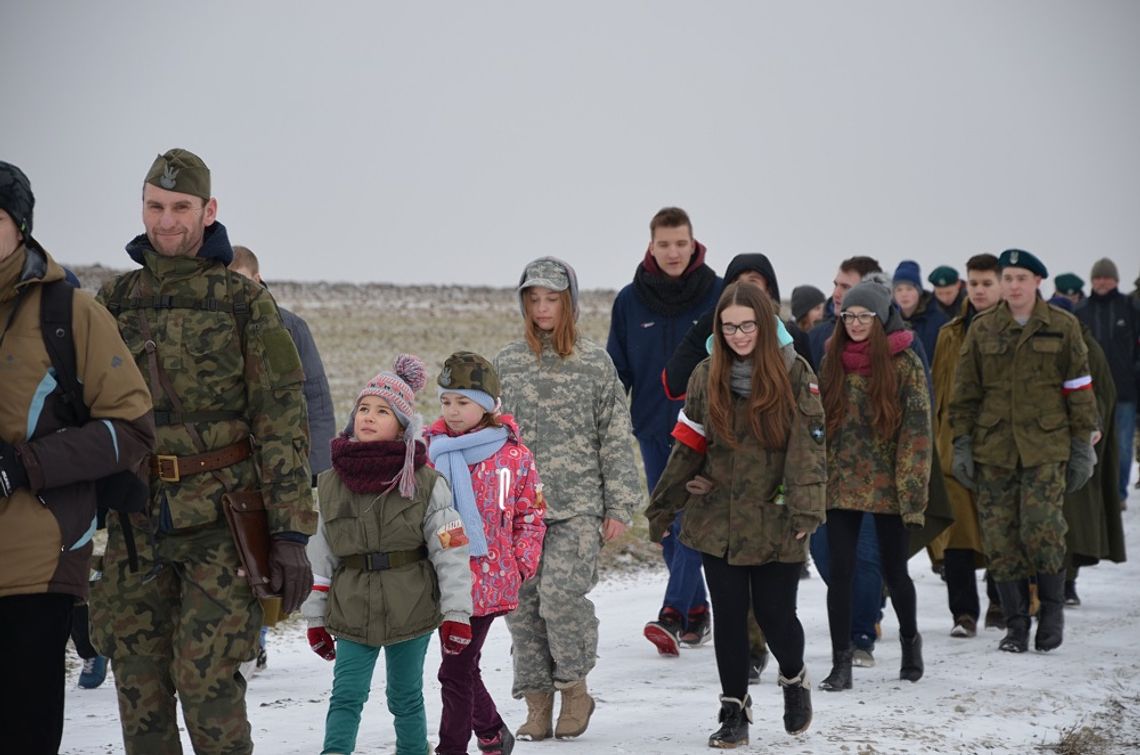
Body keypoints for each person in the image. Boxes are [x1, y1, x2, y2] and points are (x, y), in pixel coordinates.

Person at [91, 148, 316, 754]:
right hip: (136, 518)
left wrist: (291, 535)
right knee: (137, 684)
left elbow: (281, 419)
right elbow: (85, 416)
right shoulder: (113, 302)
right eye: (155, 206)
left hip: (220, 519)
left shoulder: (243, 302)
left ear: (208, 210)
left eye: (181, 208)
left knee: (206, 680)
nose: (166, 221)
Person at [0, 160, 154, 754]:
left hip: (36, 568)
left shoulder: (68, 313)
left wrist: (22, 465)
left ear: (21, 226)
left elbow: (133, 431)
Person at [647, 281, 824, 747]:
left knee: (773, 614)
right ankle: (733, 710)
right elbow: (689, 442)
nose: (739, 335)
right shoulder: (706, 374)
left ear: (764, 325)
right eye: (728, 328)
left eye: (747, 325)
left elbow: (809, 446)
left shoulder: (793, 372)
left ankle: (793, 677)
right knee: (727, 614)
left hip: (775, 514)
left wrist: (804, 508)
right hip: (718, 513)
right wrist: (665, 503)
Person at [494, 257, 642, 741]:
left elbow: (616, 436)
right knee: (522, 605)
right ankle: (537, 702)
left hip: (578, 506)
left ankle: (575, 689)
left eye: (551, 298)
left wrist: (620, 505)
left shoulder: (595, 363)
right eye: (533, 298)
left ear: (569, 302)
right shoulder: (507, 363)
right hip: (518, 511)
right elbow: (488, 437)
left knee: (559, 597)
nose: (542, 307)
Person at [302, 355, 472, 755]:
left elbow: (451, 552)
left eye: (382, 411)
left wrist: (456, 614)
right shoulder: (329, 484)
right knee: (345, 696)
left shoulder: (426, 482)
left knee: (405, 697)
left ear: (402, 425)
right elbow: (320, 555)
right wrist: (314, 616)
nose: (369, 417)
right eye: (363, 408)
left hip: (411, 605)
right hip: (351, 606)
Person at [950, 249, 1099, 654]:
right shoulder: (983, 330)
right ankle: (1016, 624)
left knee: (1043, 528)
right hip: (994, 449)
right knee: (1000, 537)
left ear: (1037, 282)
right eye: (1008, 278)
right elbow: (964, 393)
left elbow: (1080, 391)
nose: (1013, 285)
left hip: (1045, 448)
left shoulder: (1063, 327)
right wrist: (961, 444)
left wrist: (1083, 445)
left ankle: (1051, 612)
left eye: (1021, 278)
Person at [662, 252, 785, 681]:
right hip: (719, 486)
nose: (752, 292)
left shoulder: (790, 352)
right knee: (730, 589)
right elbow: (674, 380)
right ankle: (737, 685)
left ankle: (778, 659)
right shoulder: (714, 339)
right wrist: (705, 336)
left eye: (759, 283)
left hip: (772, 492)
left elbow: (811, 426)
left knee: (769, 599)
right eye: (742, 283)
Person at [606, 207, 721, 654]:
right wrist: (612, 423)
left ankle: (672, 612)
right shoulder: (630, 301)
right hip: (653, 428)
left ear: (694, 244)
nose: (673, 252)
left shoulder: (717, 294)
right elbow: (619, 369)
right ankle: (698, 611)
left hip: (706, 430)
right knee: (668, 524)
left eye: (681, 243)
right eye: (664, 244)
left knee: (692, 517)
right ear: (651, 246)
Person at [426, 351, 546, 755]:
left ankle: (452, 748)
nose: (453, 411)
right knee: (462, 667)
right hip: (441, 577)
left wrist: (522, 562)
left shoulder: (513, 455)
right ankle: (492, 732)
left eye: (463, 401)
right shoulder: (431, 451)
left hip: (490, 578)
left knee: (455, 670)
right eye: (446, 401)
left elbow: (530, 514)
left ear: (488, 405)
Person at [818, 278, 931, 691]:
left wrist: (911, 496)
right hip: (841, 485)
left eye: (865, 315)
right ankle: (841, 661)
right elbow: (818, 426)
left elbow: (918, 435)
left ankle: (909, 640)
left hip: (889, 487)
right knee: (841, 572)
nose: (856, 323)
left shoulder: (905, 363)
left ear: (882, 316)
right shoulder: (831, 360)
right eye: (849, 315)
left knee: (895, 572)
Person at [229, 243, 337, 672]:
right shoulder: (213, 328)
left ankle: (256, 634)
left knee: (268, 550)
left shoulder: (289, 327)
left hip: (278, 461)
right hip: (230, 462)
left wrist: (315, 466)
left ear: (258, 279)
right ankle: (239, 635)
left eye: (243, 281)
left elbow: (316, 398)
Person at [805, 256, 887, 669]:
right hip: (829, 472)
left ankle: (860, 634)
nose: (838, 297)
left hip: (875, 477)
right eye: (837, 288)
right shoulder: (822, 341)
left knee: (868, 556)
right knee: (825, 552)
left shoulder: (897, 349)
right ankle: (860, 611)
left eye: (849, 291)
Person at [927, 254, 1004, 637]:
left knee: (997, 530)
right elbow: (939, 391)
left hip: (1000, 448)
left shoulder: (1012, 331)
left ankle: (1002, 605)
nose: (978, 291)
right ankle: (963, 613)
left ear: (1002, 285)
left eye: (986, 283)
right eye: (973, 283)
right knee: (957, 533)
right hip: (952, 446)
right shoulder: (950, 333)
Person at [1049, 295, 1126, 607]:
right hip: (1049, 441)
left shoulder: (1087, 348)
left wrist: (1086, 432)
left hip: (1078, 442)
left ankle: (1067, 582)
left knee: (1074, 516)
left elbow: (1102, 394)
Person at [1076, 257, 1140, 507]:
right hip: (1088, 390)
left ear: (1115, 280)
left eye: (1106, 277)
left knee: (1123, 445)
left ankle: (1118, 494)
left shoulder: (1130, 307)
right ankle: (1093, 495)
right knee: (1091, 444)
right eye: (1098, 277)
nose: (1102, 282)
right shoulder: (1081, 310)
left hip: (1124, 390)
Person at [892, 260, 949, 363]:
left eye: (909, 289)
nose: (904, 294)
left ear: (918, 291)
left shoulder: (938, 320)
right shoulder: (888, 320)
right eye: (899, 289)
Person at [788, 285, 826, 363]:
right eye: (817, 308)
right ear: (803, 313)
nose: (822, 313)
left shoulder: (823, 335)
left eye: (823, 308)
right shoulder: (793, 340)